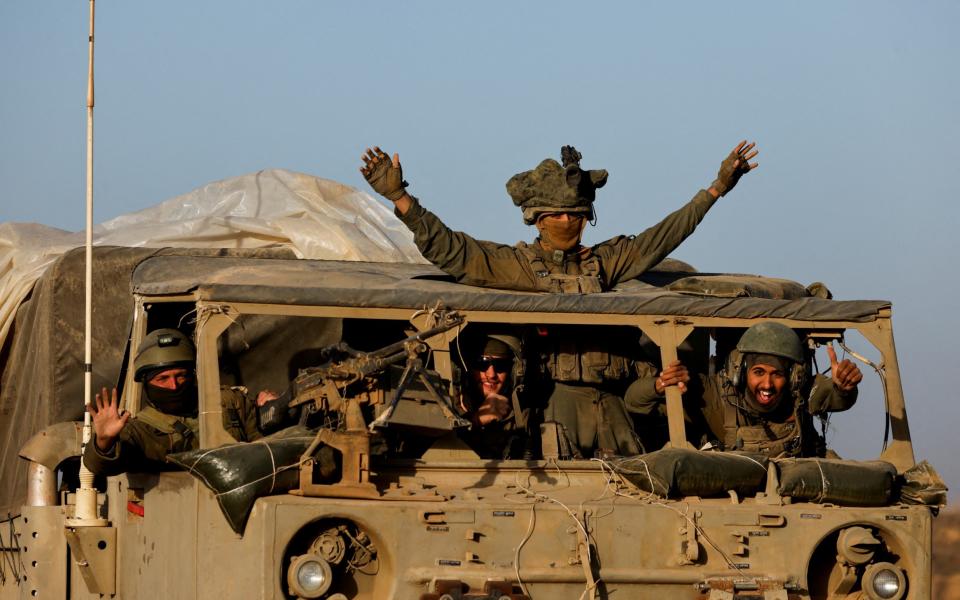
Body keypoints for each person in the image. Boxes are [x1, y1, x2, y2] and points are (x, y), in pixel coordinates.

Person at [360, 141, 759, 458]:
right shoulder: (515, 266)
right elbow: (452, 251)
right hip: (551, 409)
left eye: (575, 215)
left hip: (617, 409)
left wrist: (715, 189)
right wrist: (400, 198)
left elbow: (663, 237)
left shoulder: (608, 262)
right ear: (535, 217)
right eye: (556, 214)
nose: (566, 222)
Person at [626, 322, 863, 457]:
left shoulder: (798, 392)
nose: (767, 385)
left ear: (792, 378)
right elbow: (633, 401)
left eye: (777, 374)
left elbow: (835, 398)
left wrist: (844, 387)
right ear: (741, 373)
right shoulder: (714, 394)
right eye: (759, 372)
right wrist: (659, 385)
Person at [83, 328, 263, 476]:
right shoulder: (140, 430)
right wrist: (104, 441)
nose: (174, 385)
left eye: (181, 376)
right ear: (146, 382)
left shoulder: (230, 402)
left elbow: (265, 450)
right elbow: (99, 466)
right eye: (162, 379)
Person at [456, 332, 531, 459]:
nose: (491, 374)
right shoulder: (449, 405)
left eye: (500, 365)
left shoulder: (522, 413)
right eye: (482, 363)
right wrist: (475, 421)